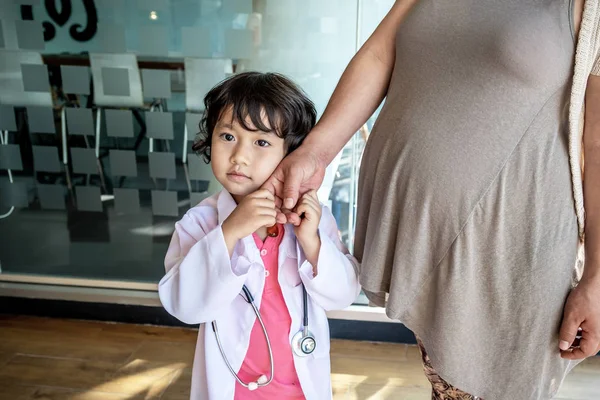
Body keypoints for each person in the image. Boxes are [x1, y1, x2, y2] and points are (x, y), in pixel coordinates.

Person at [263, 1, 600, 399]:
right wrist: (314, 153)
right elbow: (380, 53)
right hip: (420, 234)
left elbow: (597, 142)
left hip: (507, 253)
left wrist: (598, 276)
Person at [158, 72, 361, 400]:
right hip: (234, 389)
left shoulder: (310, 220)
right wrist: (231, 230)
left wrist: (312, 242)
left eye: (261, 142)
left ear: (292, 153)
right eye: (227, 136)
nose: (239, 155)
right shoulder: (200, 224)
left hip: (300, 389)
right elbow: (185, 305)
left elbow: (342, 296)